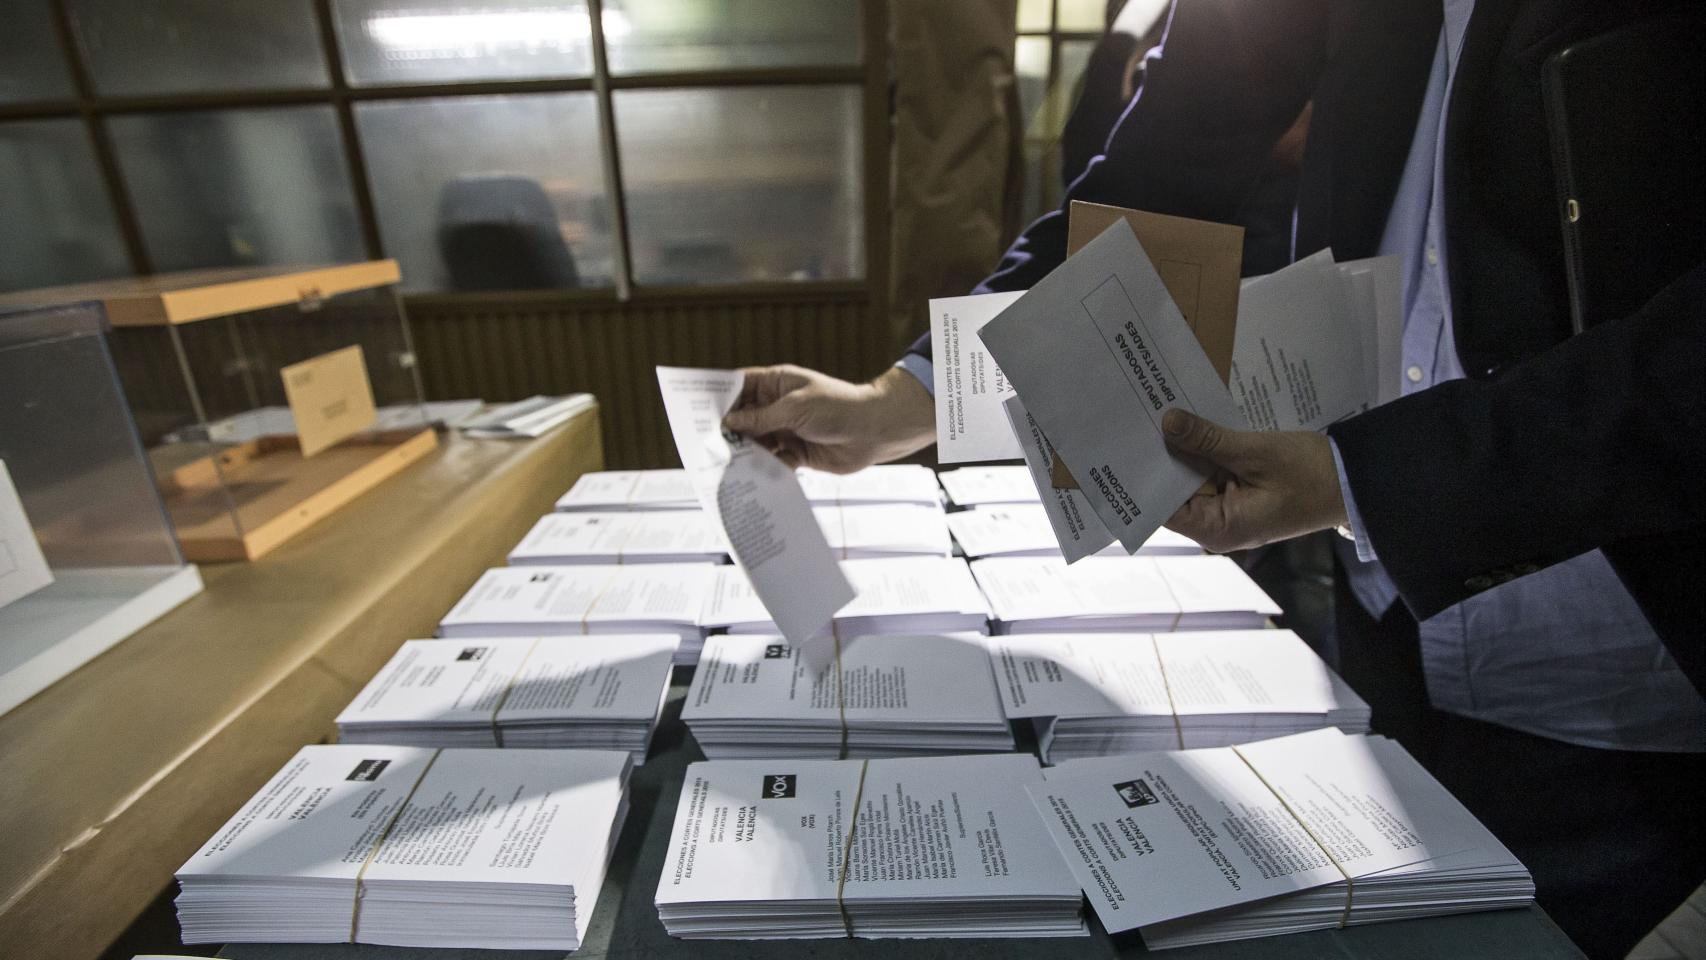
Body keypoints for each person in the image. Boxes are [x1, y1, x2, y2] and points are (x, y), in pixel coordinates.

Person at [724, 2, 1706, 956]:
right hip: (1381, 627)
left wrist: (1364, 478)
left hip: (1624, 652)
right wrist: (902, 401)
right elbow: (1153, 181)